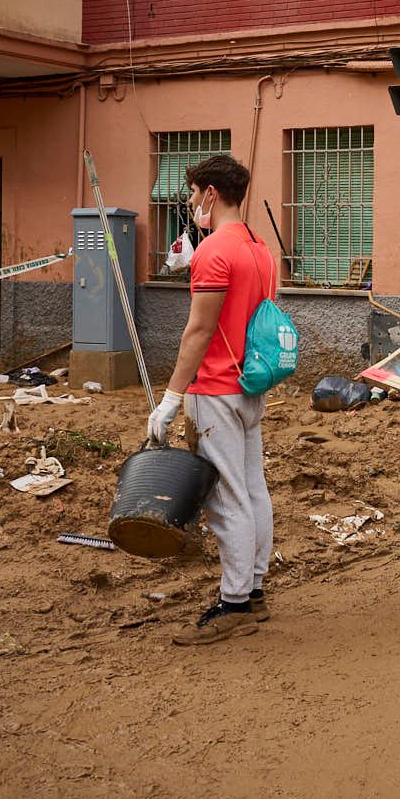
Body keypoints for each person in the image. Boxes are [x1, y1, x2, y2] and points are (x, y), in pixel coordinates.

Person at [145, 153, 279, 646]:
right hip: (249, 386)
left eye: (192, 193)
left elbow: (198, 331)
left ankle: (235, 603)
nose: (190, 202)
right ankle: (256, 590)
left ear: (210, 193)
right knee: (252, 487)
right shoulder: (260, 249)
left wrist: (171, 397)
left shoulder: (214, 251)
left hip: (216, 390)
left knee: (226, 499)